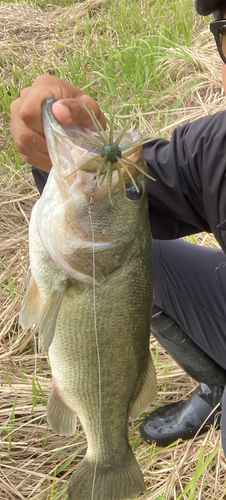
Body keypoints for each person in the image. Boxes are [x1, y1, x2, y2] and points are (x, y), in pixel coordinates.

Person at [9, 0, 226, 455]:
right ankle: (215, 384)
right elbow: (133, 189)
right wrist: (71, 156)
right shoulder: (216, 150)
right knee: (136, 253)